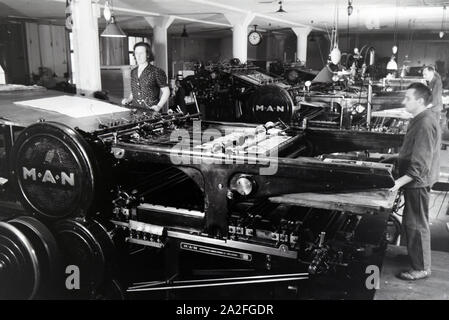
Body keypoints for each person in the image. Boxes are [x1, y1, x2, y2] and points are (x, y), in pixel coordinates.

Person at [390, 82, 441, 280]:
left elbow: (420, 165)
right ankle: (417, 257)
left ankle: (421, 267)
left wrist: (397, 183)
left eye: (407, 98)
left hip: (417, 182)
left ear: (420, 101)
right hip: (414, 180)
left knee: (416, 224)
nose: (404, 101)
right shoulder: (419, 118)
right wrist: (395, 159)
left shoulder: (425, 123)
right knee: (413, 221)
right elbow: (413, 151)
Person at [122, 42, 170, 112]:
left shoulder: (156, 71)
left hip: (151, 110)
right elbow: (134, 90)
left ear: (147, 55)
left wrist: (159, 106)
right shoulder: (133, 72)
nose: (138, 56)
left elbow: (166, 91)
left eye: (141, 53)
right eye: (136, 53)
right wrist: (129, 99)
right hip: (135, 109)